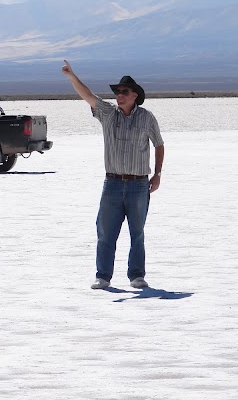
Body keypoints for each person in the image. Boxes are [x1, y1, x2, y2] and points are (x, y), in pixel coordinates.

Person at [61, 60, 165, 290]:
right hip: (113, 184)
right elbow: (87, 96)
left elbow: (159, 144)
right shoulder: (108, 114)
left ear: (135, 95)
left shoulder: (147, 117)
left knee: (137, 233)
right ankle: (103, 276)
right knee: (105, 232)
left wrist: (157, 174)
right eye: (117, 92)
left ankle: (136, 275)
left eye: (124, 92)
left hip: (139, 184)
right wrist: (71, 76)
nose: (119, 95)